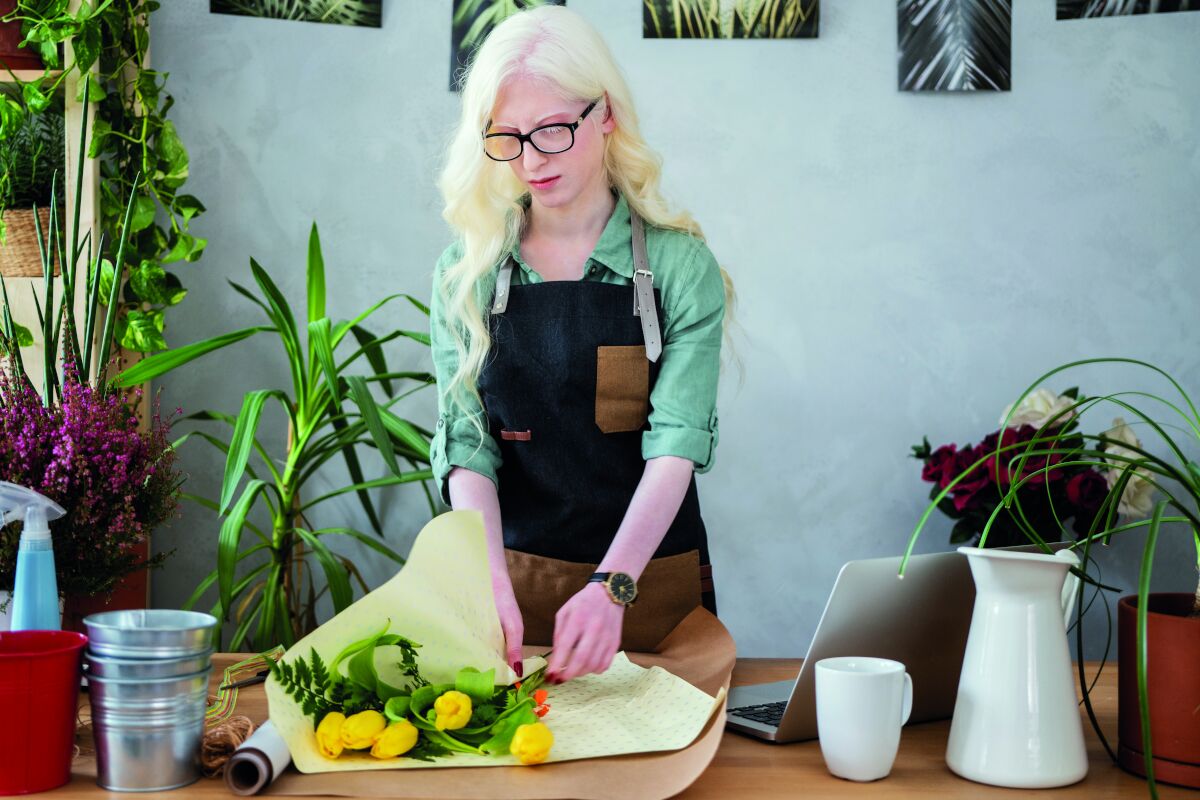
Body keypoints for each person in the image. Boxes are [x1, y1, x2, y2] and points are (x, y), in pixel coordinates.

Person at [429, 5, 732, 688]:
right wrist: (487, 587)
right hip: (509, 595)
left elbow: (676, 444)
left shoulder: (682, 270)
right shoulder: (465, 273)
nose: (531, 161)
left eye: (553, 131)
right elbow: (467, 443)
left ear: (606, 116)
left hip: (650, 594)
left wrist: (611, 588)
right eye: (506, 137)